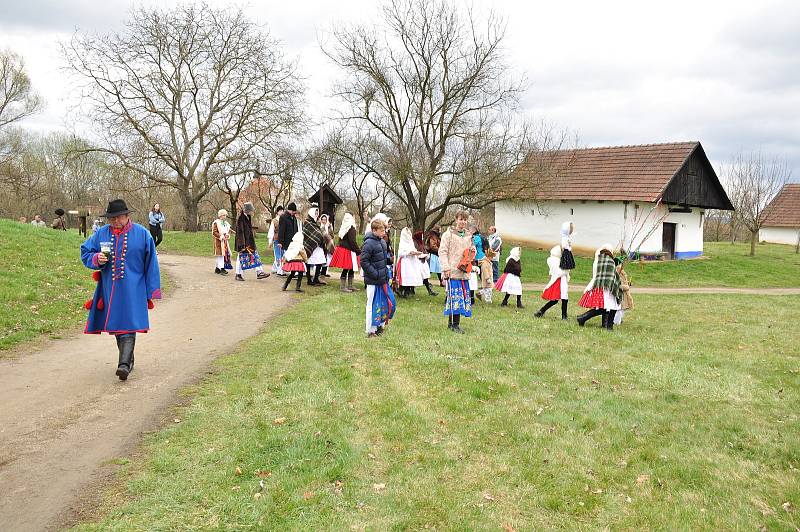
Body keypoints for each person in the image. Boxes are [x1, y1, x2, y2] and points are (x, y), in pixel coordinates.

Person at [80, 199, 161, 381]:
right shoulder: (101, 234)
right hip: (110, 288)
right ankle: (128, 360)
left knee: (128, 323)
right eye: (111, 218)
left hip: (134, 288)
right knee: (117, 325)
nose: (115, 221)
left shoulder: (142, 234)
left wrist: (152, 290)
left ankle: (123, 365)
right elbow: (85, 251)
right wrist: (96, 258)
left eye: (118, 217)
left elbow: (151, 264)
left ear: (126, 216)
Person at [439, 211, 475, 334]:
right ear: (456, 219)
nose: (463, 222)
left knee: (461, 298)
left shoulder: (469, 236)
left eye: (465, 220)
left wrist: (472, 251)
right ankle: (453, 324)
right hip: (452, 271)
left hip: (463, 272)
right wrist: (446, 268)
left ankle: (455, 324)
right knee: (454, 298)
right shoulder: (448, 235)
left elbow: (470, 253)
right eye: (461, 219)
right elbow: (442, 252)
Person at [361, 219, 395, 337]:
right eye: (381, 230)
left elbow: (381, 259)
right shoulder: (368, 243)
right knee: (371, 304)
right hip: (373, 280)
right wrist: (375, 274)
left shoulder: (382, 242)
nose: (384, 233)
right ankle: (370, 330)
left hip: (383, 279)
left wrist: (389, 261)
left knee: (382, 303)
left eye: (384, 230)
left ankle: (379, 326)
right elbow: (364, 262)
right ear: (374, 230)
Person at [576, 244, 622, 329]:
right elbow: (610, 273)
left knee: (604, 307)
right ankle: (583, 318)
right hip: (604, 287)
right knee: (606, 307)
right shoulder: (607, 260)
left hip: (599, 285)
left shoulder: (599, 259)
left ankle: (603, 324)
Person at [234, 202, 269, 281]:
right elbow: (240, 233)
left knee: (255, 256)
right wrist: (241, 245)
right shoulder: (241, 218)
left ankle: (259, 272)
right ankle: (238, 274)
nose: (252, 212)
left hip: (249, 243)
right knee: (241, 258)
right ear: (247, 210)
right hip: (243, 243)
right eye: (251, 210)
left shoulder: (248, 217)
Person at [535, 245, 570, 319]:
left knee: (560, 299)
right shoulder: (554, 260)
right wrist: (567, 270)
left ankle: (542, 311)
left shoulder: (554, 259)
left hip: (560, 280)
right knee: (560, 299)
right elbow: (559, 272)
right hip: (558, 280)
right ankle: (563, 316)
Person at [329, 212, 361, 292]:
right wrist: (358, 250)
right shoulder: (351, 228)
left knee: (349, 268)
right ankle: (344, 287)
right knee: (348, 268)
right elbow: (352, 241)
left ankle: (349, 286)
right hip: (349, 250)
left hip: (344, 249)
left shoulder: (343, 227)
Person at [396, 227, 426, 297]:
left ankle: (407, 291)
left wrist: (416, 253)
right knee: (405, 277)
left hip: (412, 262)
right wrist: (408, 253)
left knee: (411, 276)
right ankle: (401, 290)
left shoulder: (411, 242)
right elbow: (401, 253)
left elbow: (413, 250)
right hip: (405, 262)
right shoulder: (403, 242)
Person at [302, 205, 327, 286]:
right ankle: (309, 280)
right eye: (315, 213)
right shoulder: (307, 222)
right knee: (309, 262)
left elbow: (319, 233)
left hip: (318, 246)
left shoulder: (317, 222)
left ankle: (316, 278)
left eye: (317, 213)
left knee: (320, 261)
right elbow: (307, 234)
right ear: (311, 213)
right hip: (310, 245)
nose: (316, 214)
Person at [413, 230, 437, 296]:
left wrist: (426, 255)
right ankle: (411, 289)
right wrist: (422, 255)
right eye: (422, 236)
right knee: (417, 277)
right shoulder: (415, 243)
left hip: (423, 262)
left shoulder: (421, 243)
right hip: (417, 262)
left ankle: (429, 290)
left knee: (425, 277)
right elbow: (415, 253)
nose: (423, 238)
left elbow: (424, 251)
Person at [212, 209, 233, 275]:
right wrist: (221, 237)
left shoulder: (226, 223)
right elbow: (214, 232)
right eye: (224, 215)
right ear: (220, 216)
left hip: (225, 242)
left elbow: (228, 231)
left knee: (223, 255)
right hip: (219, 242)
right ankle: (222, 268)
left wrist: (227, 235)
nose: (225, 217)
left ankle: (217, 269)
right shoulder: (216, 222)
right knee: (220, 255)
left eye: (225, 215)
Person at [614, 258, 634, 326]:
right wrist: (626, 287)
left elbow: (624, 281)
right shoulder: (617, 271)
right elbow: (618, 285)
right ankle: (616, 321)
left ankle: (619, 320)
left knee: (623, 308)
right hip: (620, 293)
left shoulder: (621, 272)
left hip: (624, 293)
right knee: (619, 308)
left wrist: (628, 283)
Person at [268, 206, 285, 275]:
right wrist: (270, 241)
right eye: (280, 211)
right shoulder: (274, 221)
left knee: (282, 255)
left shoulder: (284, 220)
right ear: (277, 212)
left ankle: (274, 268)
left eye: (282, 210)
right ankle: (279, 270)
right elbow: (271, 231)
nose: (281, 212)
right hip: (276, 240)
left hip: (283, 240)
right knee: (277, 255)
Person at [319, 213, 335, 278]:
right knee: (321, 258)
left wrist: (330, 227)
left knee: (326, 259)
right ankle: (320, 272)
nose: (324, 221)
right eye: (322, 219)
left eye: (325, 220)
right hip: (321, 244)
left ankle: (324, 272)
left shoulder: (329, 226)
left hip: (328, 244)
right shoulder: (320, 226)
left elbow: (332, 235)